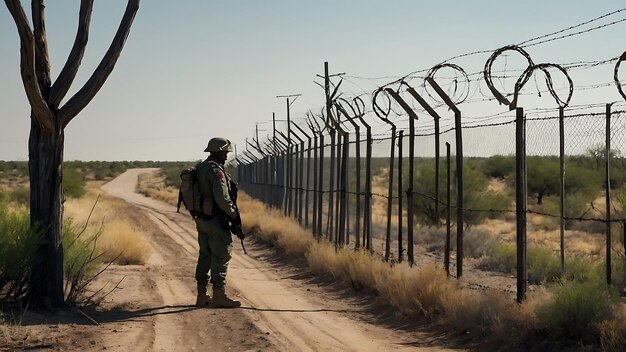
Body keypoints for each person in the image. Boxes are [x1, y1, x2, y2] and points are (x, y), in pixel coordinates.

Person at [194, 137, 241, 308]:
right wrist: (234, 215)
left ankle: (201, 295)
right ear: (218, 151)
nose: (227, 155)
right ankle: (219, 295)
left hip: (201, 219)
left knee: (205, 254)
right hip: (215, 220)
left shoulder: (201, 168)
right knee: (221, 254)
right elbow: (222, 198)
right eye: (225, 152)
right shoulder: (216, 171)